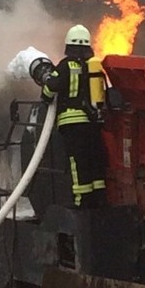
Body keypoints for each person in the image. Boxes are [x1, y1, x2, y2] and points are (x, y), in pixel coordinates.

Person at [41, 24, 108, 208]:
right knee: (94, 159)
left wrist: (45, 96)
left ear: (69, 45)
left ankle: (81, 201)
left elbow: (51, 87)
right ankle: (99, 199)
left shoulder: (65, 66)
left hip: (71, 123)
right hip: (92, 123)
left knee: (77, 161)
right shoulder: (94, 66)